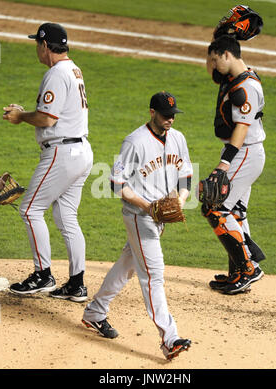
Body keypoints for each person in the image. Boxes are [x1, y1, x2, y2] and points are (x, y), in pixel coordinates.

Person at [82, 92, 193, 360]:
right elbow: (116, 185)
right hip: (138, 217)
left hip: (160, 219)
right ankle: (170, 339)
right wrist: (149, 207)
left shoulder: (178, 139)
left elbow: (186, 178)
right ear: (151, 112)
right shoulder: (134, 142)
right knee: (153, 274)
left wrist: (179, 201)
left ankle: (95, 311)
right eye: (165, 115)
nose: (170, 120)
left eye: (173, 115)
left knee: (128, 265)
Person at [3, 23, 93, 302]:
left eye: (37, 44)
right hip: (82, 152)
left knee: (30, 209)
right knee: (65, 217)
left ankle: (42, 275)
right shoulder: (74, 70)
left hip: (62, 153)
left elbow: (47, 118)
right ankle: (76, 284)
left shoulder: (56, 74)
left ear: (45, 46)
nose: (36, 49)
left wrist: (20, 116)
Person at [203, 34, 266, 295]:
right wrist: (219, 37)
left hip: (243, 153)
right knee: (236, 211)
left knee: (213, 207)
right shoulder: (237, 77)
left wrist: (224, 164)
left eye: (216, 59)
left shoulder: (246, 87)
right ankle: (240, 271)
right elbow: (213, 73)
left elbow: (242, 127)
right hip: (243, 152)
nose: (213, 66)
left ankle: (248, 268)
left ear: (228, 55)